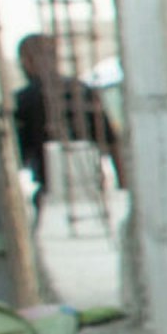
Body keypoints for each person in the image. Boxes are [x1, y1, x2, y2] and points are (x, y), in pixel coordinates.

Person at [8, 32, 124, 207]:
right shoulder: (83, 90)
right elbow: (113, 144)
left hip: (52, 192)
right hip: (92, 189)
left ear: (27, 61)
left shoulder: (23, 101)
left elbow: (15, 155)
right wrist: (123, 189)